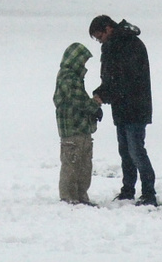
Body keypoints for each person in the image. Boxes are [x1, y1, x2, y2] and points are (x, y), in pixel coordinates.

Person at [89, 15, 157, 206]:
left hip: (135, 107)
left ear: (108, 28)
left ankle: (149, 193)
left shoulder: (130, 44)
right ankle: (128, 190)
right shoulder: (112, 46)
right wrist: (102, 93)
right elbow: (111, 79)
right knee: (125, 152)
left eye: (99, 35)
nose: (99, 40)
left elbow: (125, 80)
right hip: (122, 108)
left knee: (136, 151)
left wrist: (103, 96)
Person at [53, 42, 103, 205]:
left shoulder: (74, 77)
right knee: (72, 164)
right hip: (73, 129)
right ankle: (69, 197)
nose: (84, 65)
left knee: (84, 165)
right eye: (82, 61)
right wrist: (94, 104)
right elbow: (78, 100)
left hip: (81, 128)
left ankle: (81, 195)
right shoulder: (68, 77)